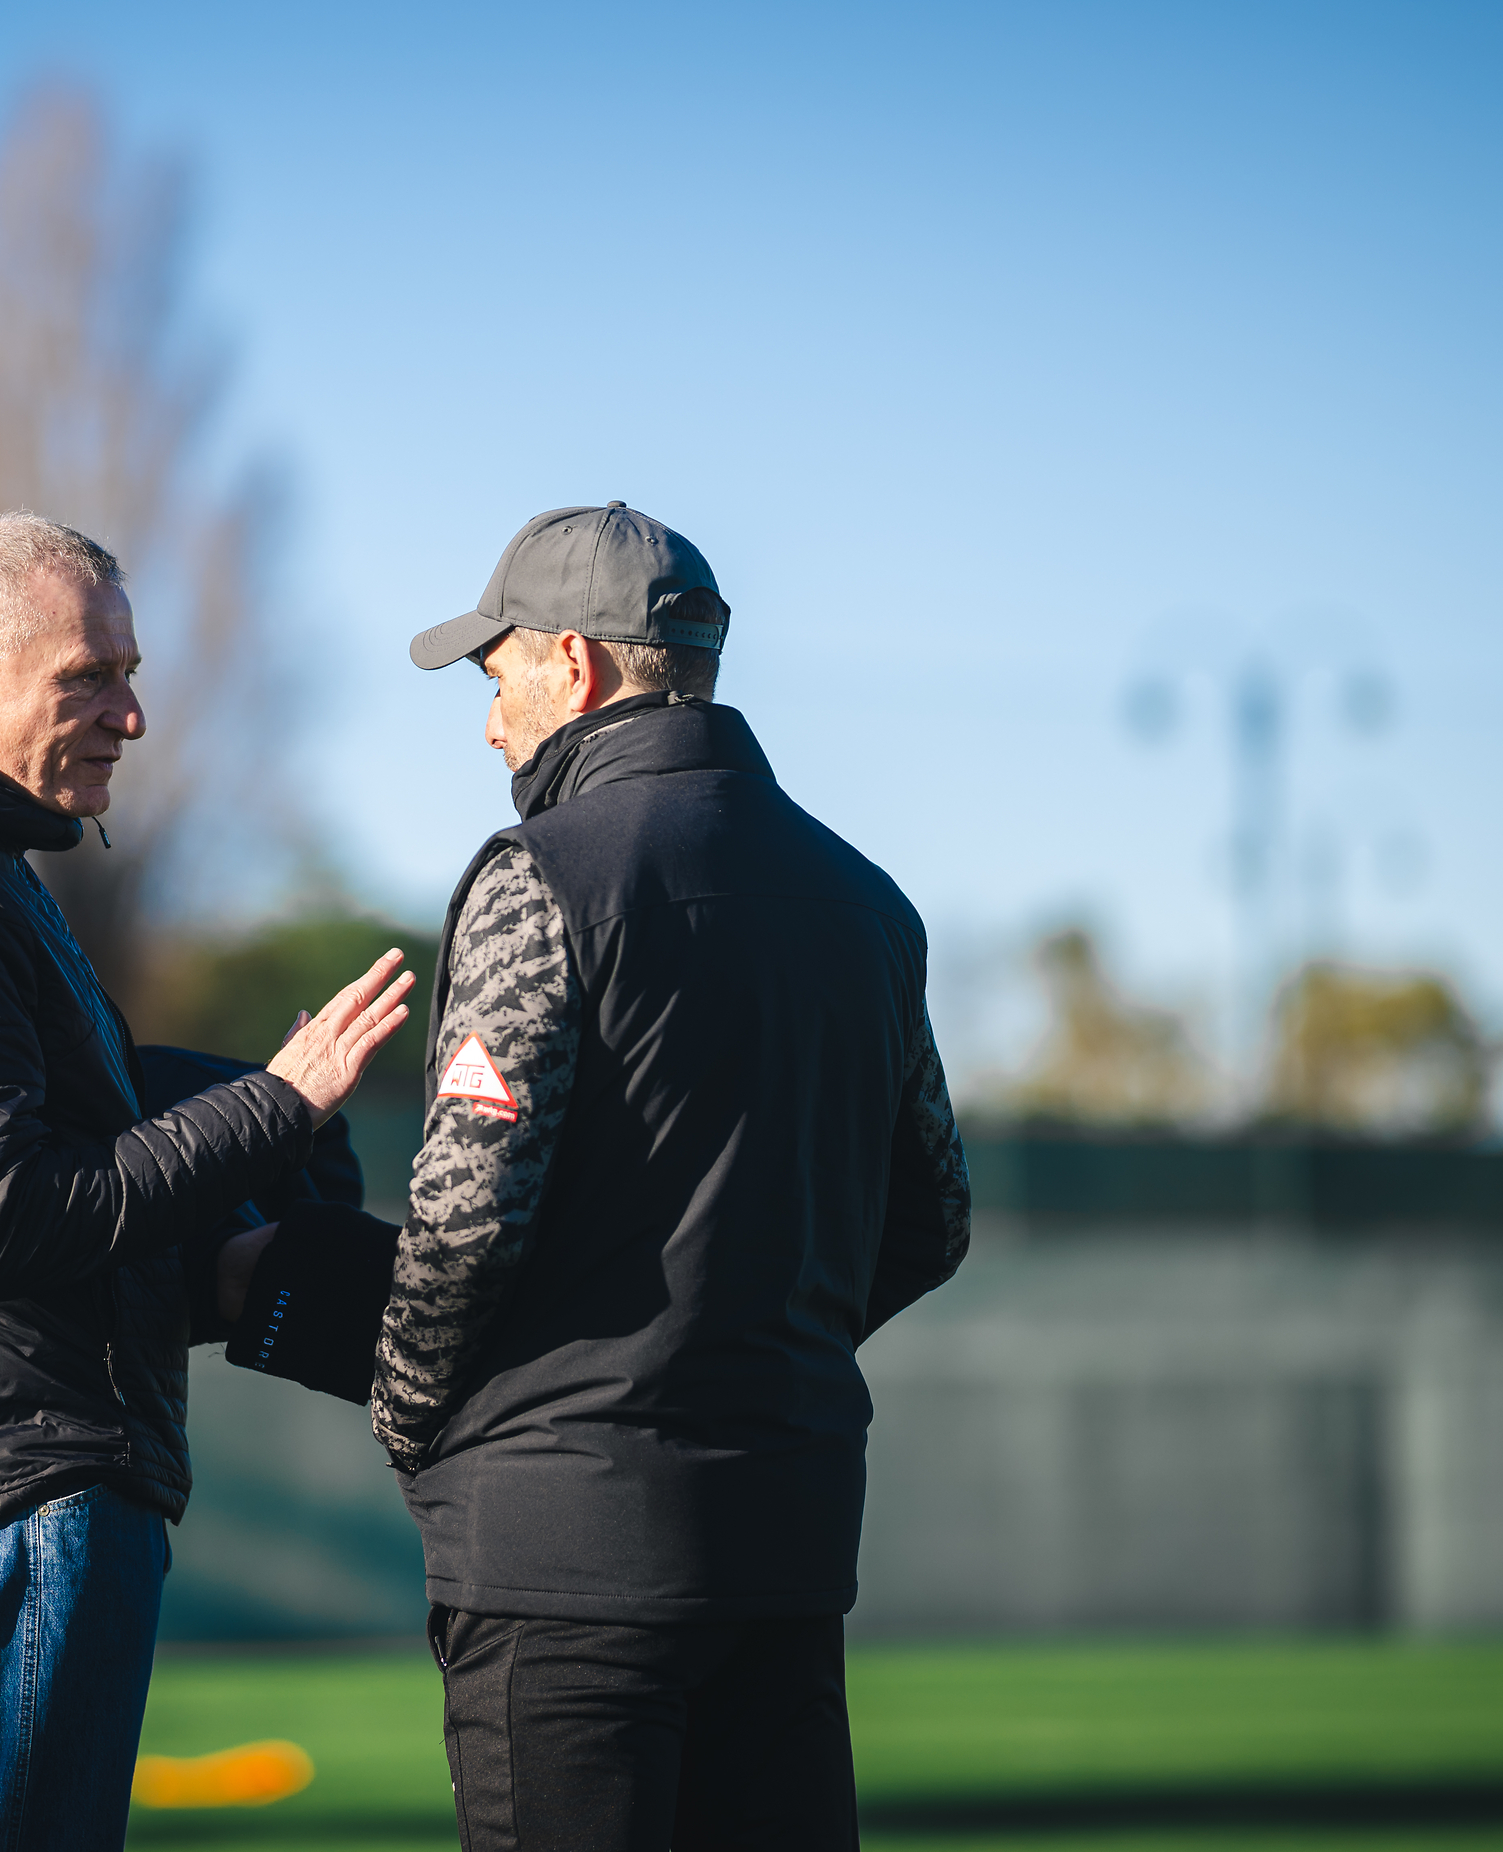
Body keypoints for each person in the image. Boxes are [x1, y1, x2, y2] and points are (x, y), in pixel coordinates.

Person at [221, 502, 971, 1850]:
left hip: (561, 1569)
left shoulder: (543, 876)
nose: (488, 723)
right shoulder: (870, 904)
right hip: (787, 1547)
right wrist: (746, 1353)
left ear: (572, 665)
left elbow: (465, 1224)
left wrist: (411, 1419)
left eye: (495, 675)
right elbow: (933, 1219)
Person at [0, 511, 412, 1852]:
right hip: (11, 1501)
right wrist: (276, 1103)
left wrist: (249, 1230)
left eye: (131, 672)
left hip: (16, 1490)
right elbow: (6, 1218)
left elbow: (40, 1182)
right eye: (89, 677)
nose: (131, 714)